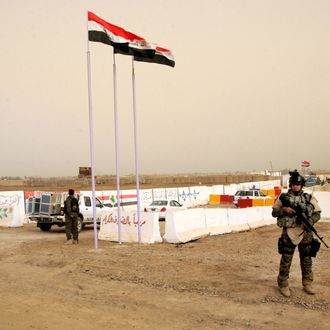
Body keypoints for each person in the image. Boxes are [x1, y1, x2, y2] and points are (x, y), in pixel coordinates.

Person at [272, 170, 321, 297]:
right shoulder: (283, 197)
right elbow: (274, 213)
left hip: (305, 233)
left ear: (301, 185)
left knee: (306, 259)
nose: (295, 186)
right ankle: (283, 284)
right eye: (293, 184)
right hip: (289, 232)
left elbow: (317, 213)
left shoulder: (308, 198)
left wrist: (309, 221)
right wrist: (284, 210)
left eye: (298, 184)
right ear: (290, 185)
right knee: (286, 259)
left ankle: (307, 283)